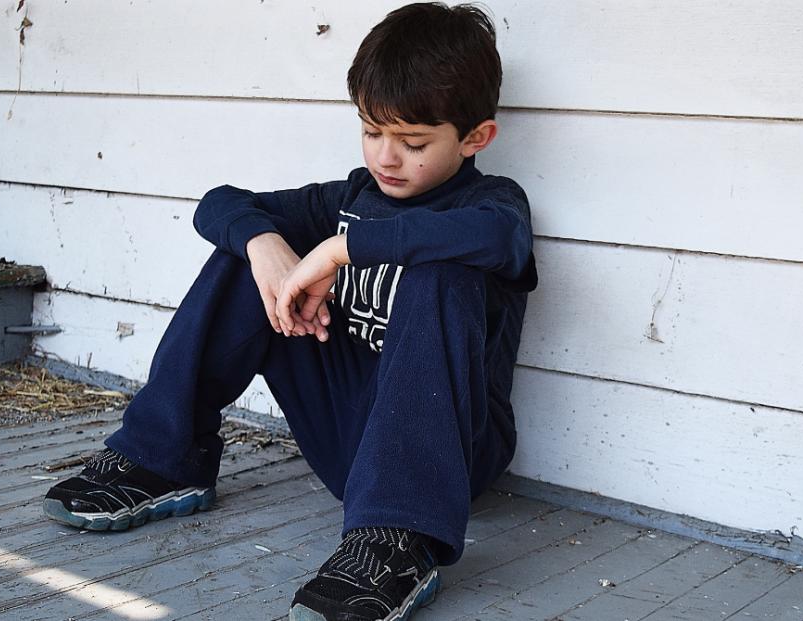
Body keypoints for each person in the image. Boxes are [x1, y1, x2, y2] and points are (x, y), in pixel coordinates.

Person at [42, 3, 536, 619]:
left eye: (413, 142)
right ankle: (165, 457)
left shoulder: (494, 206)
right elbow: (219, 204)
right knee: (243, 255)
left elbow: (495, 241)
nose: (386, 158)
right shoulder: (354, 195)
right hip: (349, 438)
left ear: (475, 138)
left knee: (442, 274)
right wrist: (265, 246)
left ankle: (397, 542)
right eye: (371, 131)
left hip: (450, 454)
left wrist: (341, 247)